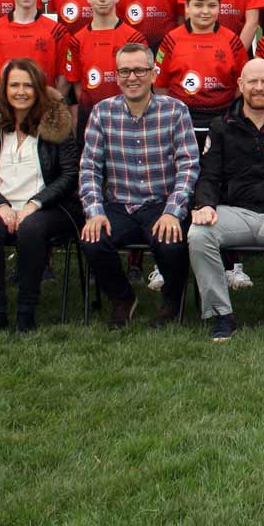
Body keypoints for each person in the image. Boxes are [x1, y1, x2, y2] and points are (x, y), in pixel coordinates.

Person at [188, 59, 264, 345]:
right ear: (241, 85)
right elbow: (209, 174)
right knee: (198, 233)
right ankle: (221, 314)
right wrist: (204, 204)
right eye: (252, 82)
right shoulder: (221, 126)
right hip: (233, 213)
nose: (259, 88)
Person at [78, 42, 200, 329]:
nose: (132, 77)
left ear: (154, 74)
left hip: (162, 202)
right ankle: (122, 298)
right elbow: (89, 168)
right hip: (120, 204)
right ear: (116, 75)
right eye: (124, 71)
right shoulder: (102, 112)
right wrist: (95, 212)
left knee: (170, 243)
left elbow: (188, 165)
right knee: (93, 242)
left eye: (139, 70)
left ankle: (172, 301)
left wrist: (173, 211)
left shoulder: (175, 111)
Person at [0, 58, 82, 333]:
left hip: (48, 208)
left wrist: (34, 204)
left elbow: (68, 174)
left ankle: (26, 312)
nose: (20, 91)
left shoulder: (56, 124)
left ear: (39, 89)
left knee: (31, 229)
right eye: (14, 85)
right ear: (4, 89)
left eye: (28, 85)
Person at [154, 0, 250, 130]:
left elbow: (241, 85)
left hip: (222, 121)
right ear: (187, 7)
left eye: (211, 5)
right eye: (198, 5)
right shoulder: (171, 40)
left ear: (220, 6)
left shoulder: (232, 40)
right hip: (182, 120)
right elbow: (160, 85)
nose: (205, 11)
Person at [63, 0, 147, 137]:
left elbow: (143, 84)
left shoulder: (134, 38)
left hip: (128, 119)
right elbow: (79, 88)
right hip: (91, 119)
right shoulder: (77, 41)